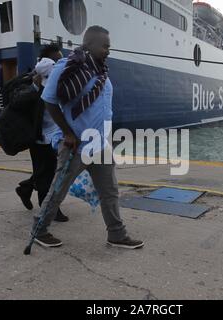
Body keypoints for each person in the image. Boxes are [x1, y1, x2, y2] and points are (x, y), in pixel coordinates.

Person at [30, 26, 144, 250]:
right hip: (77, 144)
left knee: (109, 191)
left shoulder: (101, 71)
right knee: (58, 190)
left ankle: (116, 234)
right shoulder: (67, 67)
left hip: (100, 145)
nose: (108, 50)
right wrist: (68, 132)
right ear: (89, 45)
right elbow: (49, 100)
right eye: (105, 46)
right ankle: (39, 230)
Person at [15, 44, 69, 222]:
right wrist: (34, 87)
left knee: (46, 171)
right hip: (38, 137)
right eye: (56, 59)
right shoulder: (32, 80)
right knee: (48, 173)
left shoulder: (57, 79)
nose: (59, 62)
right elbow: (17, 101)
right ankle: (50, 211)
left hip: (54, 136)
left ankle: (26, 188)